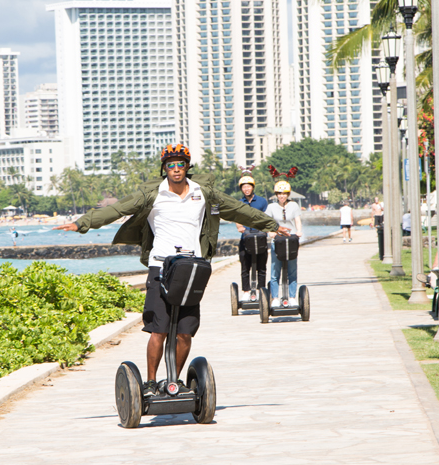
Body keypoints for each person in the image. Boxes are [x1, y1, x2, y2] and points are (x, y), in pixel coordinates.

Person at [53, 144, 289, 398]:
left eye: (180, 164)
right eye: (170, 165)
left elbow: (239, 209)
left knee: (186, 332)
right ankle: (152, 382)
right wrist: (82, 224)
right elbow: (117, 209)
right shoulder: (153, 194)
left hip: (193, 267)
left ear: (187, 166)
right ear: (164, 168)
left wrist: (272, 225)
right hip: (160, 265)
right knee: (159, 329)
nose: (176, 169)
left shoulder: (203, 192)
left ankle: (173, 381)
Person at [265, 181, 303, 307]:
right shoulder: (271, 207)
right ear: (276, 194)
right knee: (275, 270)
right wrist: (271, 232)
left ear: (288, 194)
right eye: (279, 194)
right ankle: (275, 298)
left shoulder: (294, 205)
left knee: (292, 270)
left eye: (284, 194)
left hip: (291, 240)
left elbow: (297, 220)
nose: (282, 196)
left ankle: (292, 297)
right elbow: (267, 222)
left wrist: (299, 231)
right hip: (277, 240)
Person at [234, 175, 268, 301]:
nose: (246, 189)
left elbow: (266, 217)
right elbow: (236, 217)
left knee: (261, 266)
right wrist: (239, 226)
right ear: (241, 189)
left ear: (253, 187)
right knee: (245, 266)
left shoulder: (262, 201)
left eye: (248, 186)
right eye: (244, 187)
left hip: (260, 238)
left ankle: (261, 291)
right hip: (245, 239)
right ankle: (246, 291)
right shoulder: (239, 203)